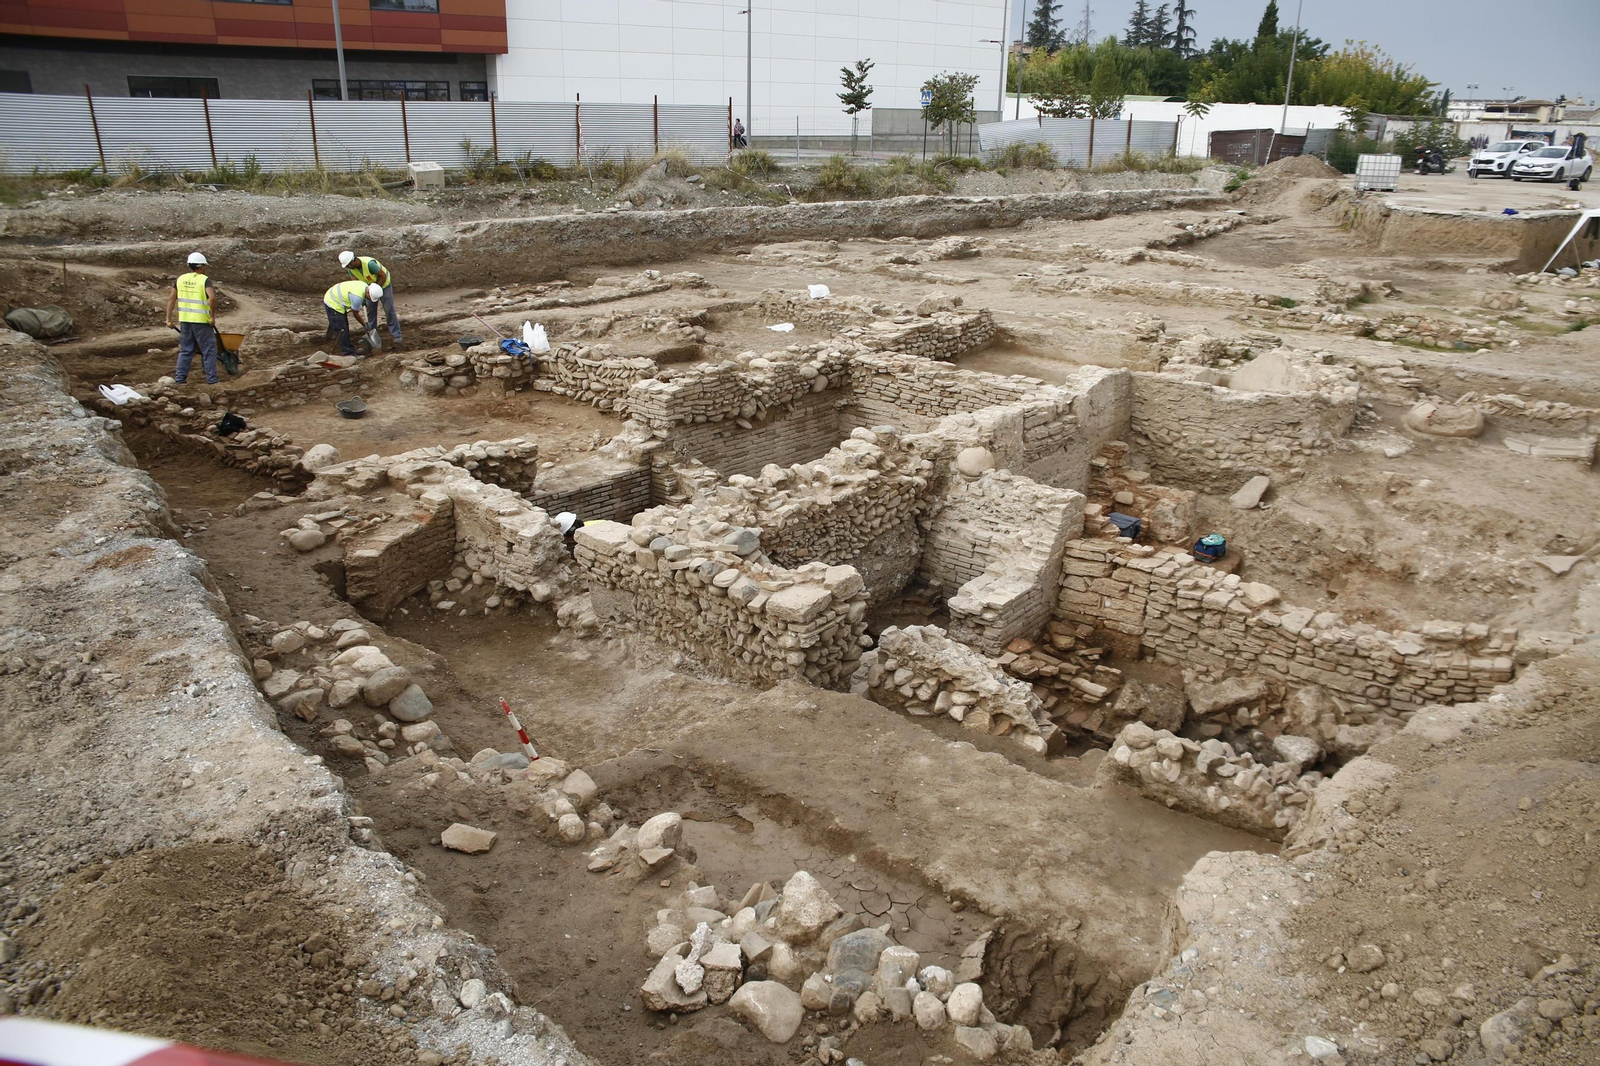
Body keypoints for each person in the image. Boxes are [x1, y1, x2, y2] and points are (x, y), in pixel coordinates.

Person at [165, 251, 220, 385]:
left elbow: (171, 299)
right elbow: (212, 298)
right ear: (201, 266)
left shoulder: (180, 279)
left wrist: (168, 319)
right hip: (201, 321)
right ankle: (212, 380)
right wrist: (212, 316)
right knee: (209, 350)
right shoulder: (204, 280)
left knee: (186, 350)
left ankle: (180, 380)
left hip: (185, 320)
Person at [338, 250, 401, 347]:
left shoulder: (370, 264)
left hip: (383, 285)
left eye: (348, 265)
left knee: (389, 310)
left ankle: (397, 335)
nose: (347, 268)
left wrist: (375, 288)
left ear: (352, 261)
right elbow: (356, 284)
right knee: (370, 312)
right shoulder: (351, 269)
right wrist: (362, 297)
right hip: (367, 290)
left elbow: (383, 276)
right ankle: (373, 335)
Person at [324, 279, 382, 357]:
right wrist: (364, 325)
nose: (370, 300)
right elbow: (356, 314)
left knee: (342, 325)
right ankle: (348, 353)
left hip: (334, 293)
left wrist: (364, 301)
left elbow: (362, 297)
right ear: (368, 292)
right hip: (333, 302)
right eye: (370, 298)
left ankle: (350, 348)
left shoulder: (364, 286)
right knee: (342, 329)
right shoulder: (357, 298)